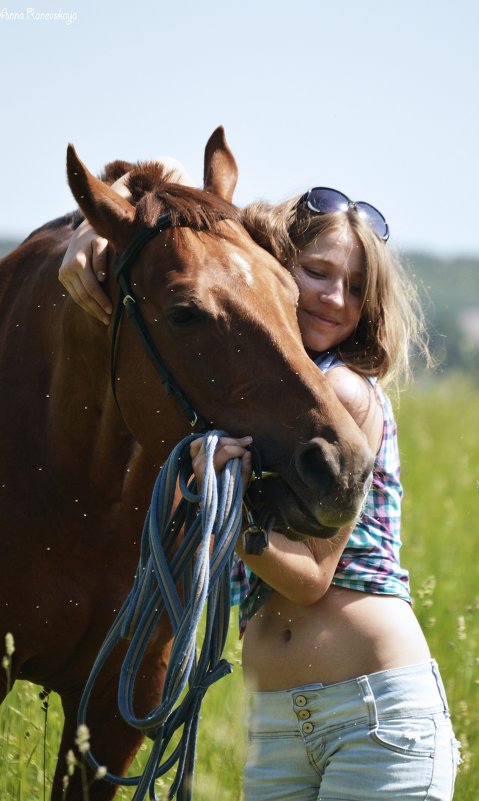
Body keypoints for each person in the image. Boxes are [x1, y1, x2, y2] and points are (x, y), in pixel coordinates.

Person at [60, 175, 460, 800]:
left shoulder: (341, 396)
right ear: (275, 263)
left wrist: (228, 506)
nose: (335, 298)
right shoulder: (248, 403)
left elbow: (310, 579)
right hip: (278, 728)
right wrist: (86, 234)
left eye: (357, 287)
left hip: (372, 716)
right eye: (318, 272)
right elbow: (172, 192)